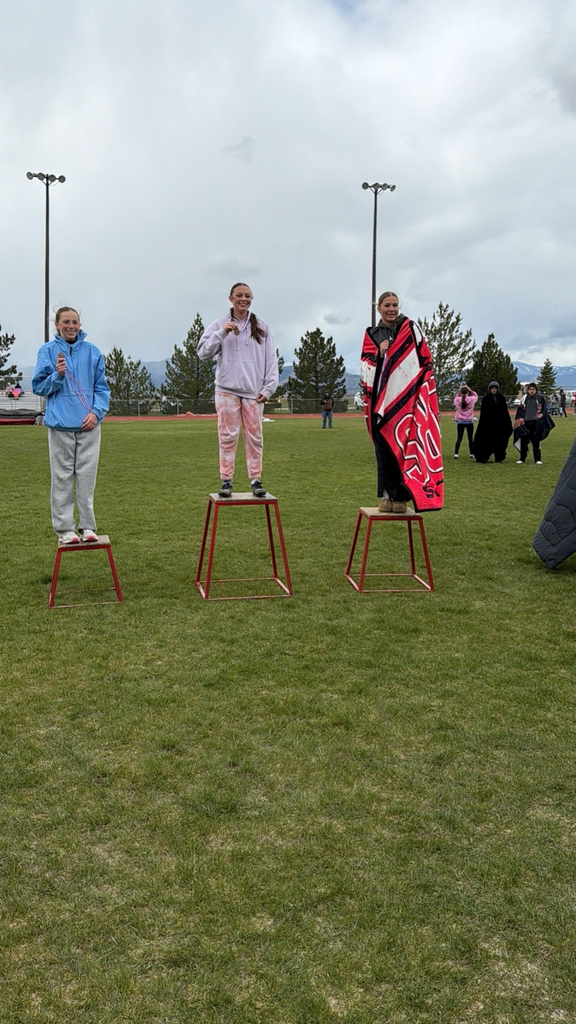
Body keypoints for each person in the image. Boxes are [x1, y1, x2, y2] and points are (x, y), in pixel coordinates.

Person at [360, 291, 443, 514]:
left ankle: (402, 498)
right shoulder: (371, 334)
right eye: (387, 305)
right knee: (384, 450)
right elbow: (365, 364)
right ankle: (386, 495)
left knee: (404, 447)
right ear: (379, 308)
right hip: (381, 404)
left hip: (407, 404)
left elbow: (424, 357)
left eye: (395, 305)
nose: (391, 309)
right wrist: (379, 353)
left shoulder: (409, 328)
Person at [32, 306, 110, 544]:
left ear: (80, 324)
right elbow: (38, 387)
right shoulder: (47, 351)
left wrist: (96, 414)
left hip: (88, 426)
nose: (71, 326)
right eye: (65, 321)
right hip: (60, 426)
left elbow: (101, 388)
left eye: (75, 322)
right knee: (62, 478)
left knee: (87, 478)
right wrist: (58, 375)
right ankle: (65, 529)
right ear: (57, 325)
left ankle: (87, 527)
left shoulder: (93, 352)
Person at [197, 282, 278, 498]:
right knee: (227, 436)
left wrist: (269, 388)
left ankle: (256, 480)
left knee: (255, 437)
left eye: (248, 296)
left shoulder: (261, 326)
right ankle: (226, 481)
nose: (244, 299)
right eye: (239, 295)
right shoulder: (220, 324)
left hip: (254, 391)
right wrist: (221, 333)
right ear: (230, 298)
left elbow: (271, 359)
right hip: (226, 390)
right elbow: (202, 352)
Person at [513, 382, 555, 464]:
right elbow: (520, 411)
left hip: (536, 424)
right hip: (525, 424)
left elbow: (544, 411)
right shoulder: (523, 400)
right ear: (528, 390)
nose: (532, 391)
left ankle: (537, 459)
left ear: (536, 390)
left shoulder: (540, 399)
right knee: (523, 442)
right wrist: (521, 420)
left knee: (536, 442)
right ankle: (522, 458)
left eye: (533, 389)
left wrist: (539, 418)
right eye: (530, 389)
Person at [472, 382, 512, 463]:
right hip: (488, 425)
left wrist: (507, 424)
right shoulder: (486, 399)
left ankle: (499, 457)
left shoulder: (501, 398)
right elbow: (483, 413)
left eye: (495, 388)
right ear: (490, 389)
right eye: (492, 388)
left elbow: (505, 412)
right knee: (485, 441)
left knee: (500, 441)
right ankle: (483, 457)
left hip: (499, 425)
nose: (494, 390)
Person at [453, 385, 478, 459]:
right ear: (468, 392)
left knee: (459, 438)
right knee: (470, 438)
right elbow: (475, 395)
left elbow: (455, 398)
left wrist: (459, 391)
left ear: (461, 392)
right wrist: (470, 390)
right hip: (469, 421)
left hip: (460, 422)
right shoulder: (472, 399)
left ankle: (456, 454)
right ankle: (471, 453)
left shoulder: (457, 399)